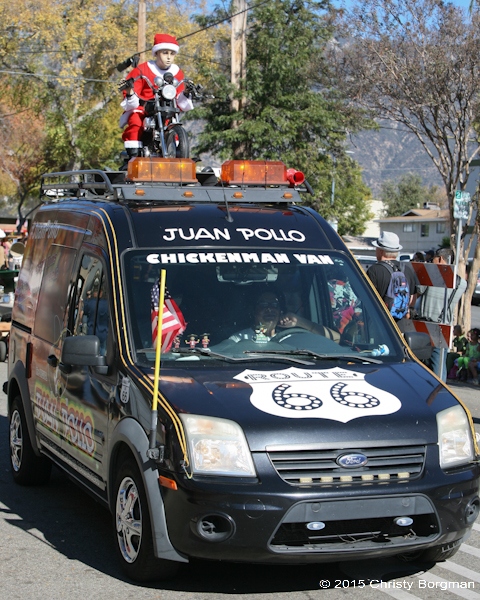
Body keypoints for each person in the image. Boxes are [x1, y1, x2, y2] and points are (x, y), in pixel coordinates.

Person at [119, 33, 194, 165]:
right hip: (144, 108)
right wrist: (130, 90)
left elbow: (180, 99)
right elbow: (132, 90)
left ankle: (177, 154)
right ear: (156, 53)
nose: (169, 57)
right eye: (165, 53)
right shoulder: (142, 69)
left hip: (167, 107)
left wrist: (187, 92)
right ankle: (133, 157)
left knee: (173, 123)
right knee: (136, 122)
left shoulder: (177, 73)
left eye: (172, 53)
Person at [417, 248, 467, 381]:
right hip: (444, 328)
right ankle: (440, 389)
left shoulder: (430, 276)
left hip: (424, 325)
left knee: (420, 365)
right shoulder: (461, 282)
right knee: (439, 367)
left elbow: (419, 290)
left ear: (439, 259)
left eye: (433, 259)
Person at [229, 291, 340, 343]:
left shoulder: (292, 337)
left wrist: (299, 321)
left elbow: (336, 339)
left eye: (274, 305)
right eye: (263, 305)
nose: (269, 309)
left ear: (281, 311)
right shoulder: (239, 339)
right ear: (254, 311)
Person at [366, 231, 418, 331]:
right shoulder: (407, 270)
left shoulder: (374, 270)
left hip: (378, 325)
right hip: (400, 327)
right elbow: (412, 300)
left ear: (381, 251)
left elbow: (367, 299)